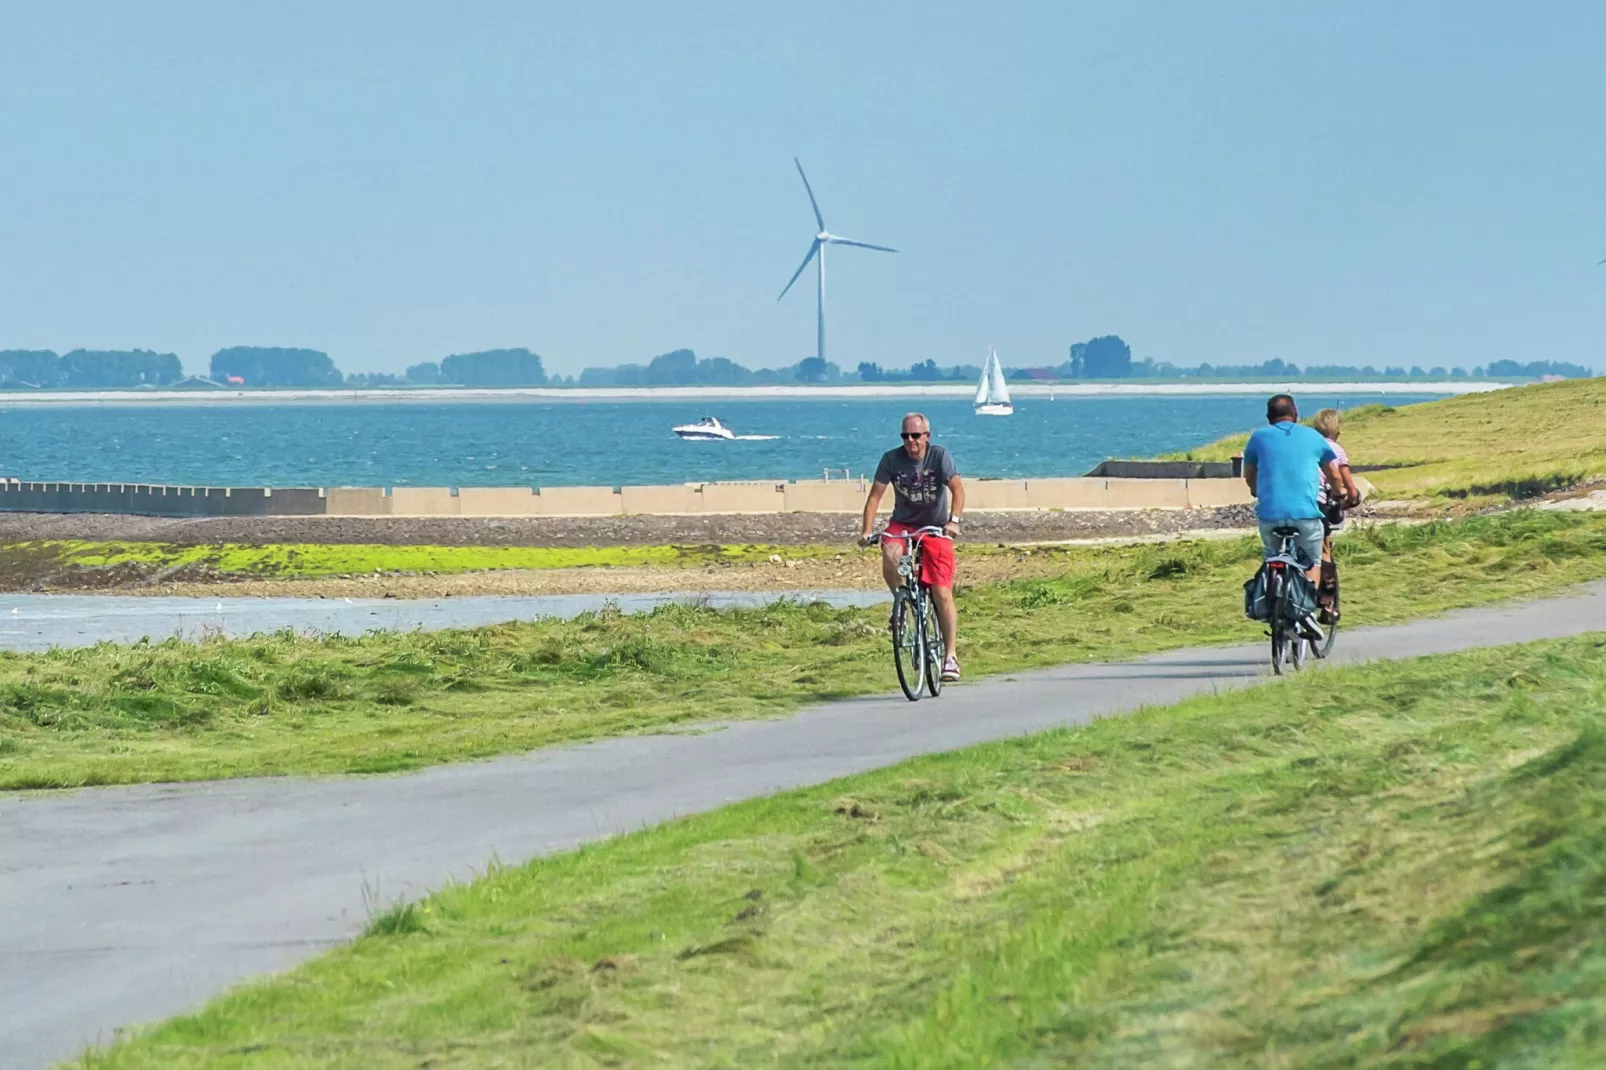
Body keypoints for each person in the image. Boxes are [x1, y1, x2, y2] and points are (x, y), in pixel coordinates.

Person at [859, 413, 966, 681]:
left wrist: (953, 521)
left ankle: (950, 657)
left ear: (927, 436)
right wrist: (866, 531)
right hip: (902, 525)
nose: (910, 441)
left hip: (936, 528)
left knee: (942, 592)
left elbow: (958, 491)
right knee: (890, 553)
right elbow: (874, 497)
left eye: (915, 436)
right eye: (905, 436)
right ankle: (901, 604)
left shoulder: (940, 457)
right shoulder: (891, 460)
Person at [1241, 394, 1345, 639]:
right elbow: (1334, 474)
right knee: (1313, 559)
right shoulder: (1313, 437)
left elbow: (1249, 476)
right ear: (1296, 415)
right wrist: (1339, 492)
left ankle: (1273, 603)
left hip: (1270, 515)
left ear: (1269, 417)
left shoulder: (1258, 438)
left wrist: (1257, 490)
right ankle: (1306, 611)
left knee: (1271, 555)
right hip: (1306, 516)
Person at [1311, 408, 1361, 621]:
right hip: (1318, 503)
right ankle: (1327, 605)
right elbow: (1345, 482)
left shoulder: (1310, 445)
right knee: (1324, 550)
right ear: (1337, 428)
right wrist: (1352, 497)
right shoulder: (1337, 450)